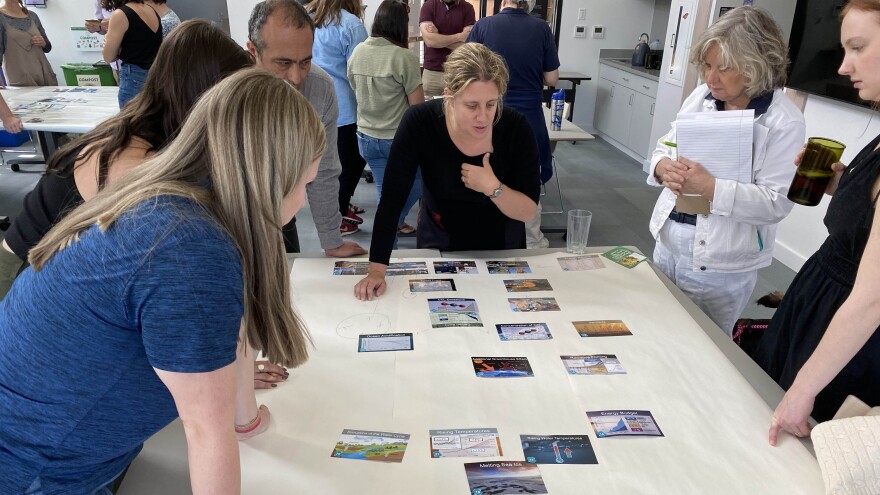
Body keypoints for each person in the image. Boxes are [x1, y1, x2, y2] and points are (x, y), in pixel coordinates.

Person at [0, 67, 324, 495]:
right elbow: (205, 431)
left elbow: (232, 329)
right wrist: (236, 424)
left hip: (64, 441)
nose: (302, 201)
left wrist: (246, 420)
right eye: (305, 184)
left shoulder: (181, 200)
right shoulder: (188, 249)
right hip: (36, 468)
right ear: (269, 180)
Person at [0, 19, 251, 298]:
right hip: (20, 278)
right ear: (203, 99)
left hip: (36, 267)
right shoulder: (137, 163)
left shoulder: (142, 127)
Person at [757, 0, 880, 445]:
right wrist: (841, 183)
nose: (844, 67)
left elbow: (872, 299)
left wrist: (803, 390)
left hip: (850, 337)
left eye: (858, 47)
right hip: (819, 306)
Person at [647, 6, 805, 336]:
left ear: (756, 66)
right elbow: (665, 146)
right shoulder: (702, 97)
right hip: (670, 240)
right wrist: (663, 167)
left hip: (719, 262)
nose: (710, 77)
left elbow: (775, 203)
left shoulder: (784, 121)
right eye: (707, 65)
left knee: (704, 345)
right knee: (658, 330)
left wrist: (711, 188)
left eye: (725, 68)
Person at [354, 43, 541, 300]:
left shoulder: (515, 128)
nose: (484, 117)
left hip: (501, 244)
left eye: (491, 104)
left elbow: (528, 210)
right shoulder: (420, 122)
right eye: (472, 105)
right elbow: (392, 199)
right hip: (439, 239)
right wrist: (376, 268)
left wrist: (493, 188)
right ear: (449, 97)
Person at [247, 0, 367, 257]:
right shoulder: (228, 94)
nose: (297, 77)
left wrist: (332, 240)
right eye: (283, 63)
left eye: (305, 62)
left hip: (283, 212)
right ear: (252, 52)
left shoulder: (321, 88)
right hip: (233, 218)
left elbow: (324, 171)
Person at [466, 0, 560, 248]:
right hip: (529, 115)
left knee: (487, 172)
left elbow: (465, 70)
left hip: (490, 116)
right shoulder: (541, 28)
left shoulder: (484, 25)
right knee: (528, 177)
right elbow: (552, 78)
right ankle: (532, 242)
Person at [347, 0, 424, 240]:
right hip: (396, 139)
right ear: (401, 26)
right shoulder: (403, 57)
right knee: (421, 178)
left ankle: (388, 238)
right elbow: (417, 109)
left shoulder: (358, 51)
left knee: (384, 192)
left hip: (366, 137)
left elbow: (353, 87)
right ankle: (395, 221)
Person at [307, 0, 369, 235]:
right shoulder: (351, 25)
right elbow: (361, 71)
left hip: (310, 104)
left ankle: (339, 204)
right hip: (343, 106)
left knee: (326, 163)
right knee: (352, 161)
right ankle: (339, 213)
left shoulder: (306, 18)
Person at [102, 0, 163, 108]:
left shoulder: (120, 14)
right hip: (154, 76)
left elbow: (108, 56)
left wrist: (115, 48)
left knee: (131, 123)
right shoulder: (151, 10)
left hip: (133, 77)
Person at [419, 0, 475, 97]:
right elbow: (430, 41)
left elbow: (467, 45)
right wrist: (459, 36)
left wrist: (438, 37)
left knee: (457, 110)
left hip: (459, 73)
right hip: (432, 74)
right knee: (430, 111)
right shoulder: (429, 6)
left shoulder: (467, 8)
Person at [0, 0, 56, 86]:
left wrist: (43, 43)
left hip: (44, 72)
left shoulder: (32, 15)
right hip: (19, 76)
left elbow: (48, 47)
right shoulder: (1, 17)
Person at [85, 0, 120, 82]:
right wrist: (96, 27)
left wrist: (116, 23)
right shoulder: (100, 1)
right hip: (115, 61)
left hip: (138, 61)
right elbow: (102, 25)